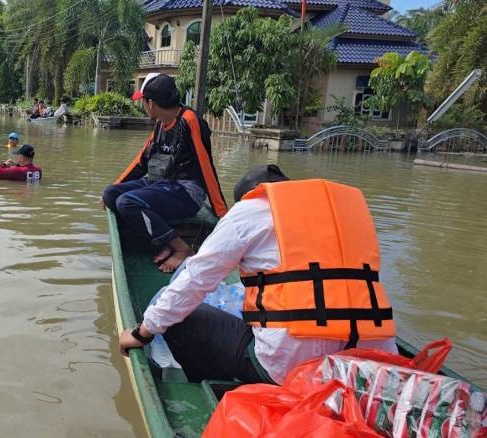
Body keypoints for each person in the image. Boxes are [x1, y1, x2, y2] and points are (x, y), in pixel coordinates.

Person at [118, 165, 398, 385]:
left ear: (253, 195)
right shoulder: (344, 214)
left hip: (288, 371)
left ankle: (216, 386)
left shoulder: (249, 210)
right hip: (368, 365)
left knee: (180, 319)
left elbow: (194, 280)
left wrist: (143, 332)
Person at [102, 73, 228, 273]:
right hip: (160, 185)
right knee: (111, 194)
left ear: (151, 103)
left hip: (186, 192)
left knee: (126, 202)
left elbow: (206, 166)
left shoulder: (189, 120)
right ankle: (163, 242)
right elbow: (141, 161)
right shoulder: (160, 124)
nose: (142, 105)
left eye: (142, 101)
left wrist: (222, 214)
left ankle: (181, 248)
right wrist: (116, 185)